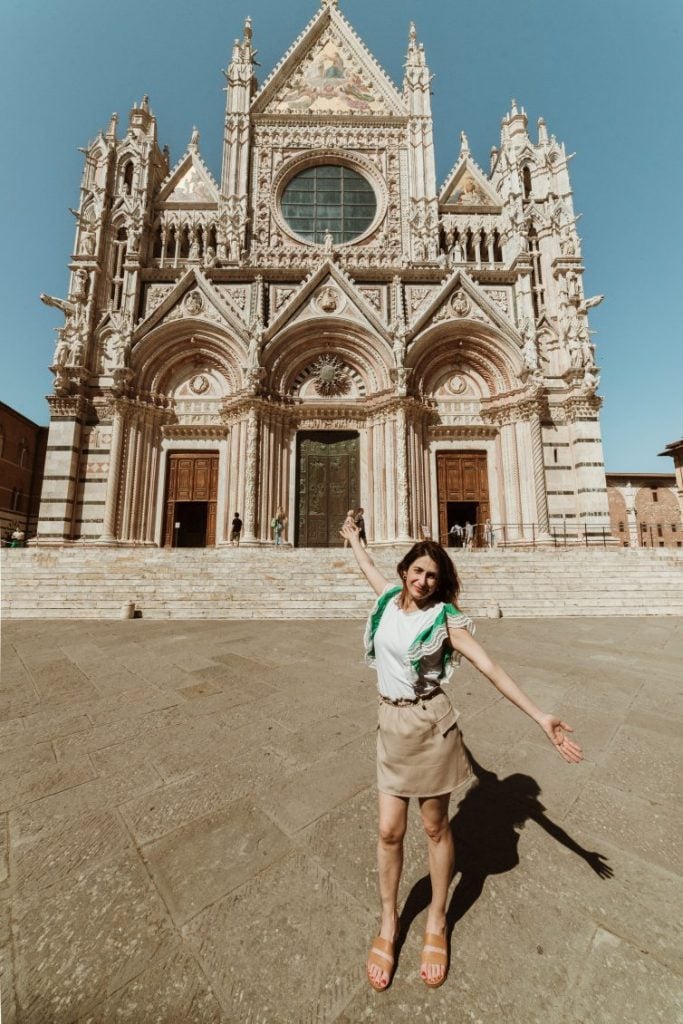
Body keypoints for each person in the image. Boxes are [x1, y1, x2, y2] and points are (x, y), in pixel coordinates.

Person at [339, 522, 583, 992]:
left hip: (430, 725)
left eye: (432, 575)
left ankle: (435, 919)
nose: (423, 580)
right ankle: (388, 924)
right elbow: (368, 568)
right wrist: (355, 540)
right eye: (417, 570)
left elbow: (489, 666)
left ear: (441, 580)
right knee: (389, 830)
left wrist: (539, 715)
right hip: (390, 725)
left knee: (435, 827)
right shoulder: (389, 599)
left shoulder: (446, 621)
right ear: (405, 571)